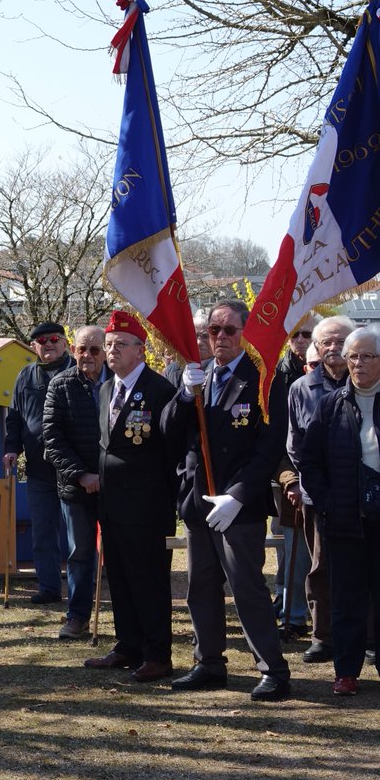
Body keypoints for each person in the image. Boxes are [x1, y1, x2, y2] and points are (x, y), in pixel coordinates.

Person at [161, 298, 291, 701]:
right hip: (200, 501)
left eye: (228, 330)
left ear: (245, 334)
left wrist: (237, 496)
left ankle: (273, 668)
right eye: (211, 331)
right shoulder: (199, 376)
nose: (218, 338)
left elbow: (268, 448)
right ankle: (209, 663)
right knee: (199, 586)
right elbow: (168, 432)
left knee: (247, 586)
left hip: (240, 505)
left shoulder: (264, 379)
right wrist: (185, 394)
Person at [82, 312, 179, 682]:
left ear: (141, 350)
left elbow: (171, 451)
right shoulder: (106, 389)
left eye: (120, 345)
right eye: (108, 345)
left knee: (148, 580)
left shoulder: (158, 391)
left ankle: (157, 654)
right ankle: (128, 646)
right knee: (119, 578)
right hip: (112, 504)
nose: (111, 351)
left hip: (147, 506)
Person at [298, 323, 380, 696]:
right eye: (353, 356)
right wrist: (327, 500)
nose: (359, 363)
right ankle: (346, 672)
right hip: (346, 518)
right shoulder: (332, 404)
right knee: (346, 596)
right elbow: (309, 460)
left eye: (367, 356)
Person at [287, 315, 355, 665]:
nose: (333, 347)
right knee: (320, 567)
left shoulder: (368, 383)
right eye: (325, 341)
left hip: (362, 493)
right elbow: (296, 444)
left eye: (340, 340)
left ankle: (368, 638)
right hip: (318, 495)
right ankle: (322, 636)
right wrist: (311, 485)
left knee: (365, 566)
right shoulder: (301, 388)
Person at [42, 325, 107, 640]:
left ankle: (129, 620)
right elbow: (52, 439)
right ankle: (77, 616)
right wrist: (82, 475)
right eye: (82, 349)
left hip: (117, 487)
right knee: (80, 553)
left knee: (122, 554)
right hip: (76, 487)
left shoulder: (122, 382)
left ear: (106, 351)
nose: (87, 356)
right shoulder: (61, 384)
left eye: (95, 350)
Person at [4, 321, 75, 604]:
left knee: (75, 534)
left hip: (72, 468)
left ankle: (81, 588)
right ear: (34, 346)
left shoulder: (78, 372)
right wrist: (12, 448)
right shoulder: (25, 376)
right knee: (43, 531)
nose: (48, 345)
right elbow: (15, 418)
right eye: (42, 341)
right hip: (37, 469)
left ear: (65, 342)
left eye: (54, 339)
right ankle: (49, 588)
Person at [272, 317, 318, 633]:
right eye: (295, 334)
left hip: (331, 483)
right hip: (290, 479)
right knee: (293, 551)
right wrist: (291, 479)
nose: (300, 340)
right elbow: (275, 439)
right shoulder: (276, 378)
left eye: (307, 334)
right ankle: (293, 613)